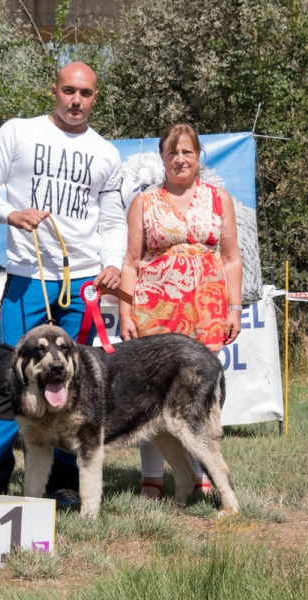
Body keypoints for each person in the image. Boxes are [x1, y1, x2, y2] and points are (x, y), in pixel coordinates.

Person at [0, 62, 128, 505]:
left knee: (71, 386)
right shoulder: (18, 132)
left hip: (82, 285)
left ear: (96, 97)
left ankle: (62, 485)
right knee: (9, 383)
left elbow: (114, 219)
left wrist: (112, 262)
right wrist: (10, 214)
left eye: (87, 93)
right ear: (53, 90)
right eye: (69, 90)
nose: (77, 101)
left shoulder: (106, 154)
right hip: (27, 277)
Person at [118, 123, 243, 499]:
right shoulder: (144, 201)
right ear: (162, 157)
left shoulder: (219, 199)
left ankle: (202, 474)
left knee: (196, 396)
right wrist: (126, 313)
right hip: (155, 310)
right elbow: (130, 260)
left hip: (206, 310)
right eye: (172, 152)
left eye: (187, 152)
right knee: (152, 395)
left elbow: (232, 258)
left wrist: (234, 308)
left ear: (198, 156)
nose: (180, 159)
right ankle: (152, 478)